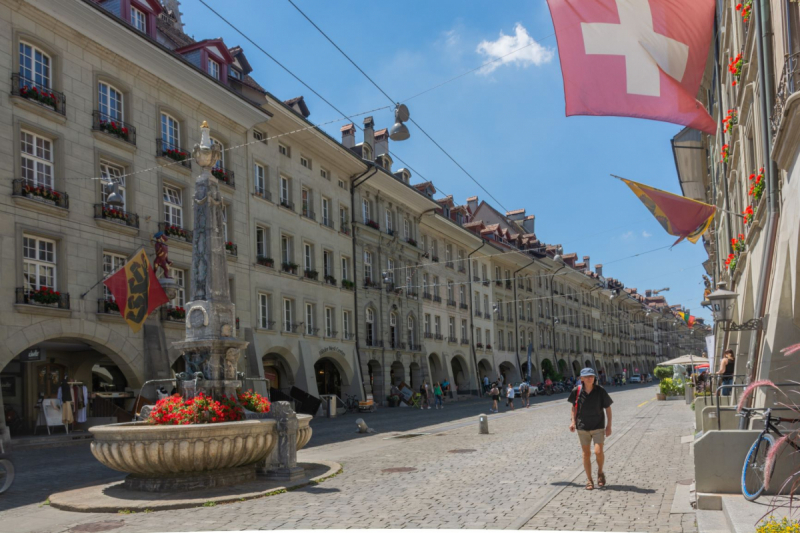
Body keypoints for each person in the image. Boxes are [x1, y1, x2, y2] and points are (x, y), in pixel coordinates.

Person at [568, 368, 613, 491]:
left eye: (592, 376)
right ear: (581, 378)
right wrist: (573, 422)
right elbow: (574, 407)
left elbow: (608, 408)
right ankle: (589, 479)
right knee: (586, 454)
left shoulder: (600, 391)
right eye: (587, 376)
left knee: (598, 452)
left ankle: (600, 472)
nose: (590, 378)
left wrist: (609, 425)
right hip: (582, 427)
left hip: (598, 425)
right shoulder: (576, 391)